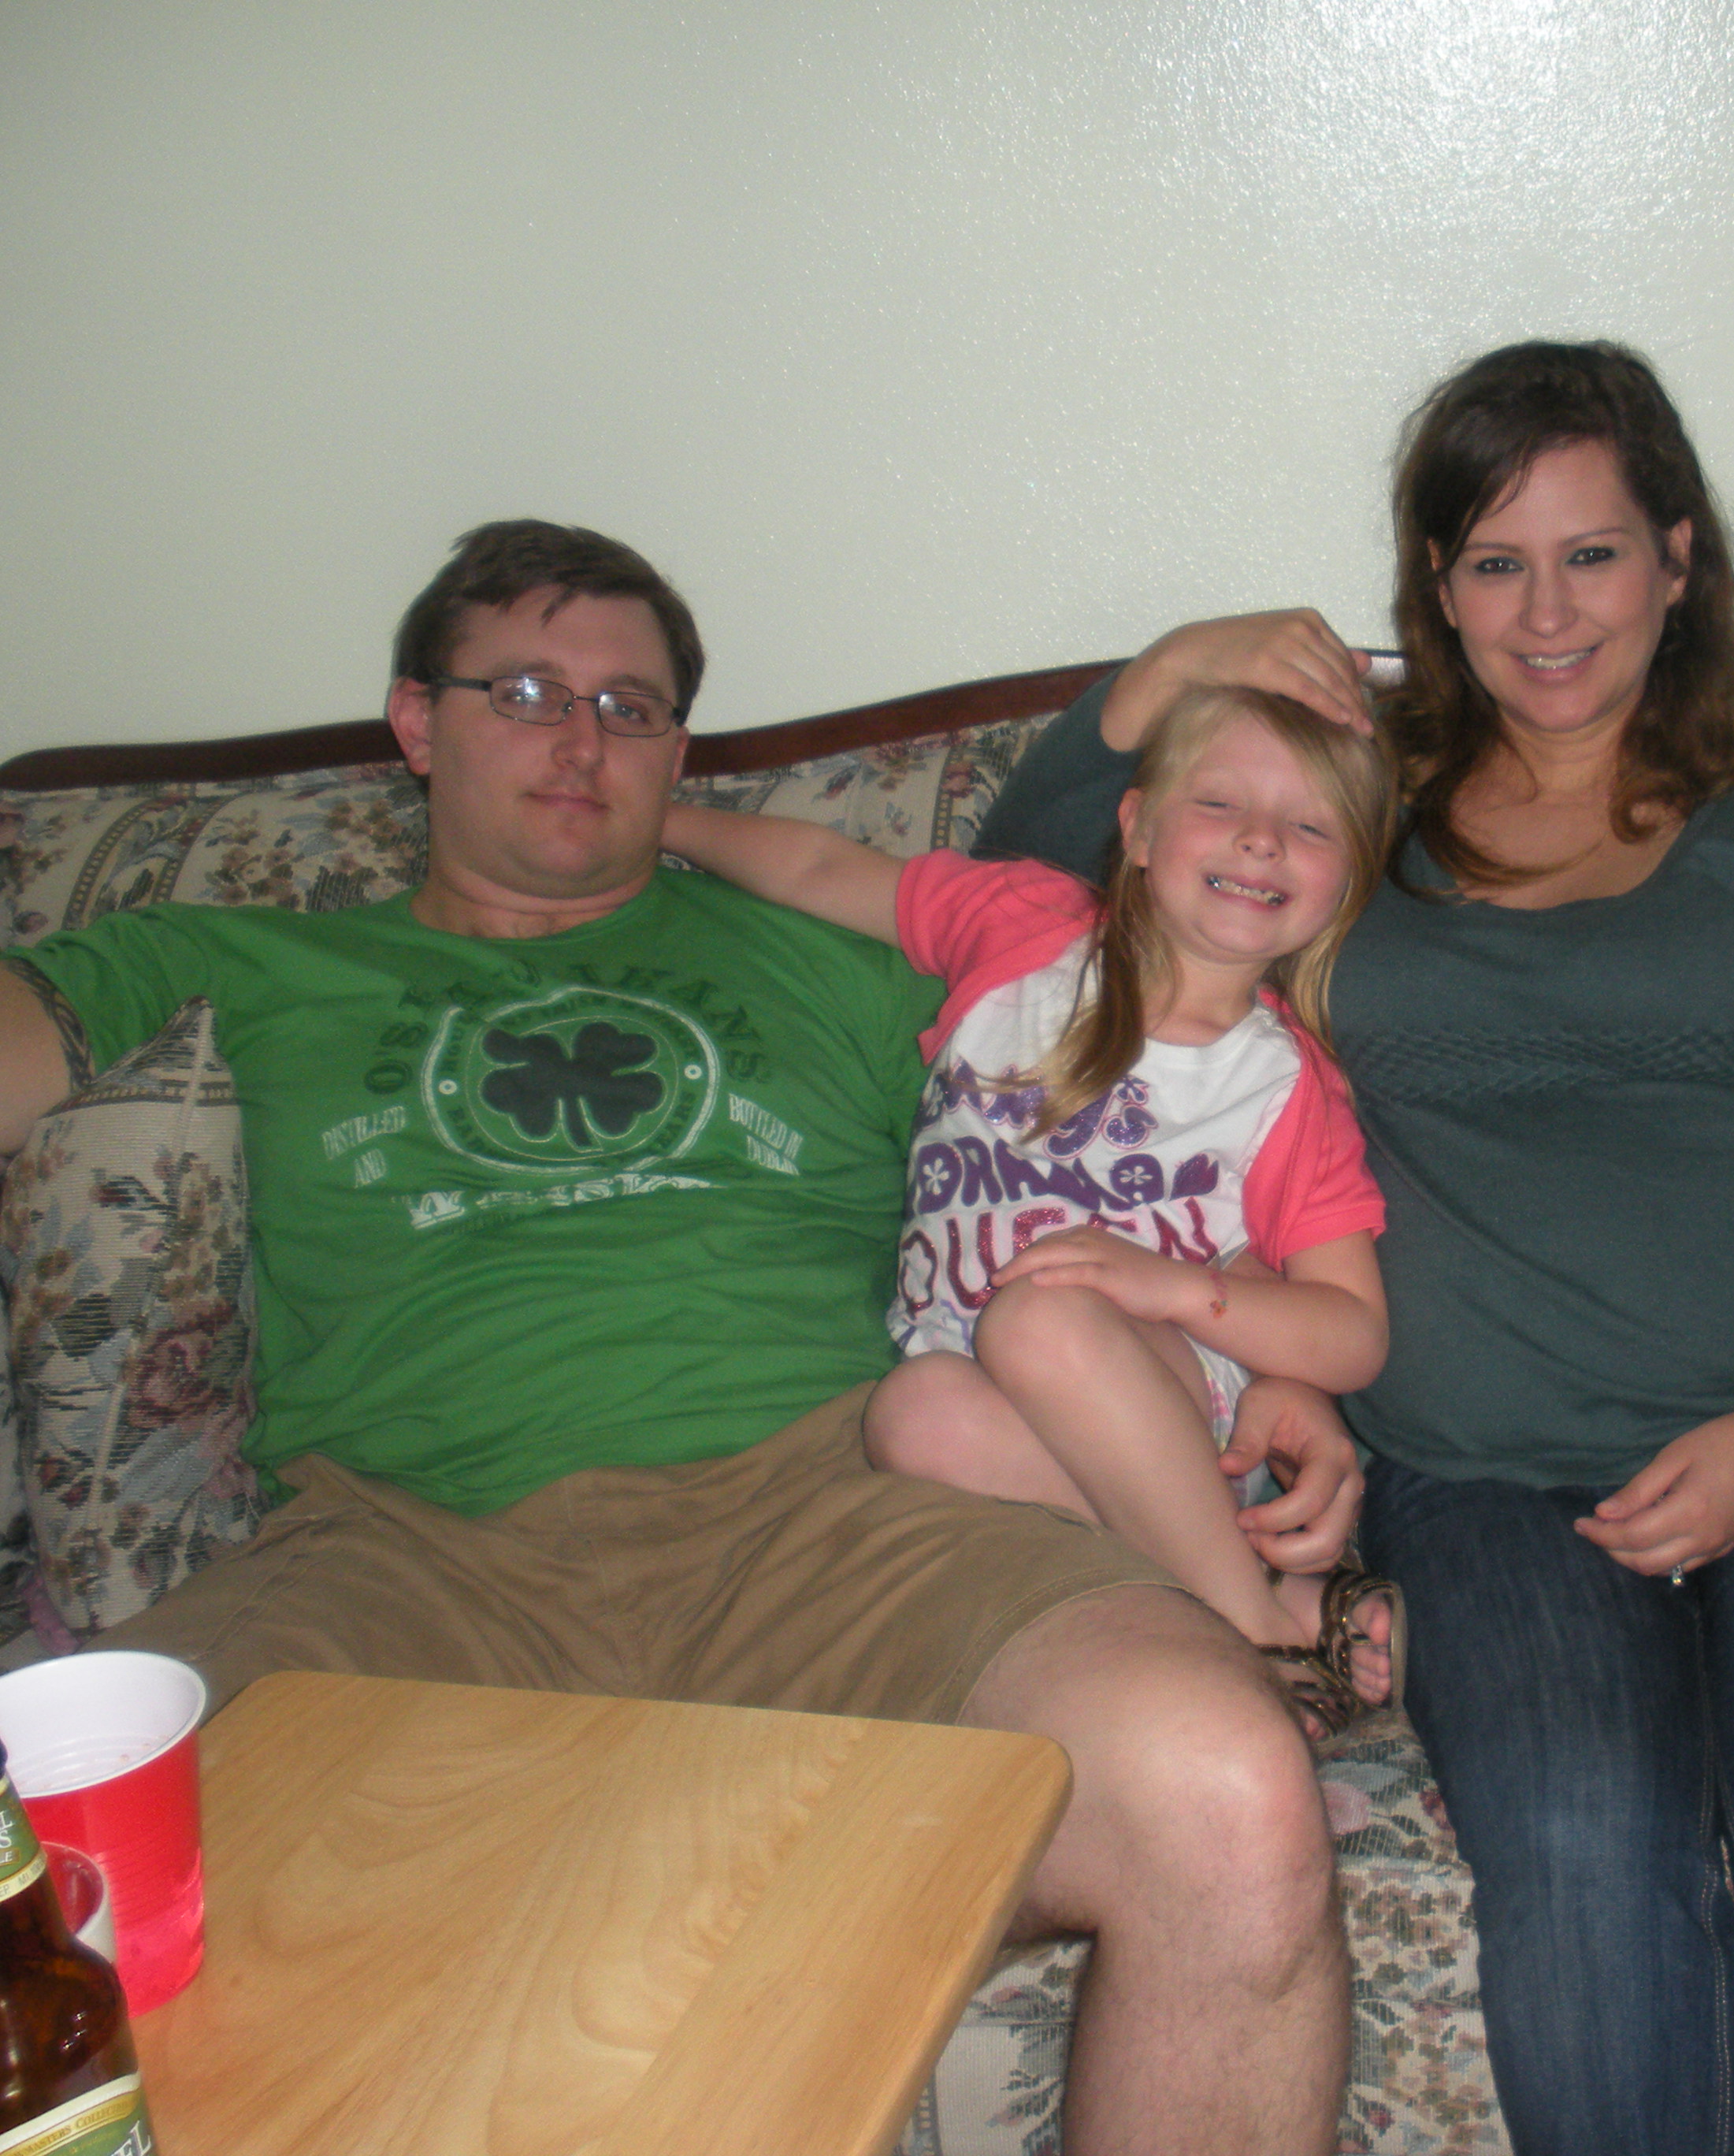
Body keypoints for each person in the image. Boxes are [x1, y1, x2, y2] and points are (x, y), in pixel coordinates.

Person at [0, 521, 1368, 2154]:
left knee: (1226, 1795)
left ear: (677, 751)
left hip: (848, 1520)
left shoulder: (841, 958)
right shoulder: (256, 949)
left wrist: (1285, 1375)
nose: (581, 741)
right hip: (409, 1555)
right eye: (525, 692)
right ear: (418, 722)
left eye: (630, 708)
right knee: (49, 1894)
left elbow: (1140, 1117)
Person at [975, 341, 1734, 2155]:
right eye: (1495, 564)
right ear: (1435, 589)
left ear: (1677, 560)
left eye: (1593, 555)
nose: (1547, 613)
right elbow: (1043, 892)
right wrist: (1173, 668)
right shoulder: (1360, 811)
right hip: (1484, 1475)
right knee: (1584, 1838)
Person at [659, 683, 1406, 1733]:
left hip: (1177, 1412)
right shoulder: (1024, 930)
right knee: (910, 1413)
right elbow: (822, 870)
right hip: (1003, 1415)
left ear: (1346, 882)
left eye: (1311, 827)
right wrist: (656, 819)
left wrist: (1173, 1289)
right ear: (1138, 828)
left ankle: (1257, 1637)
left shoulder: (1287, 1087)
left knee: (1042, 1319)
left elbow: (1353, 1332)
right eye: (1221, 803)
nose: (1262, 840)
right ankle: (1247, 1585)